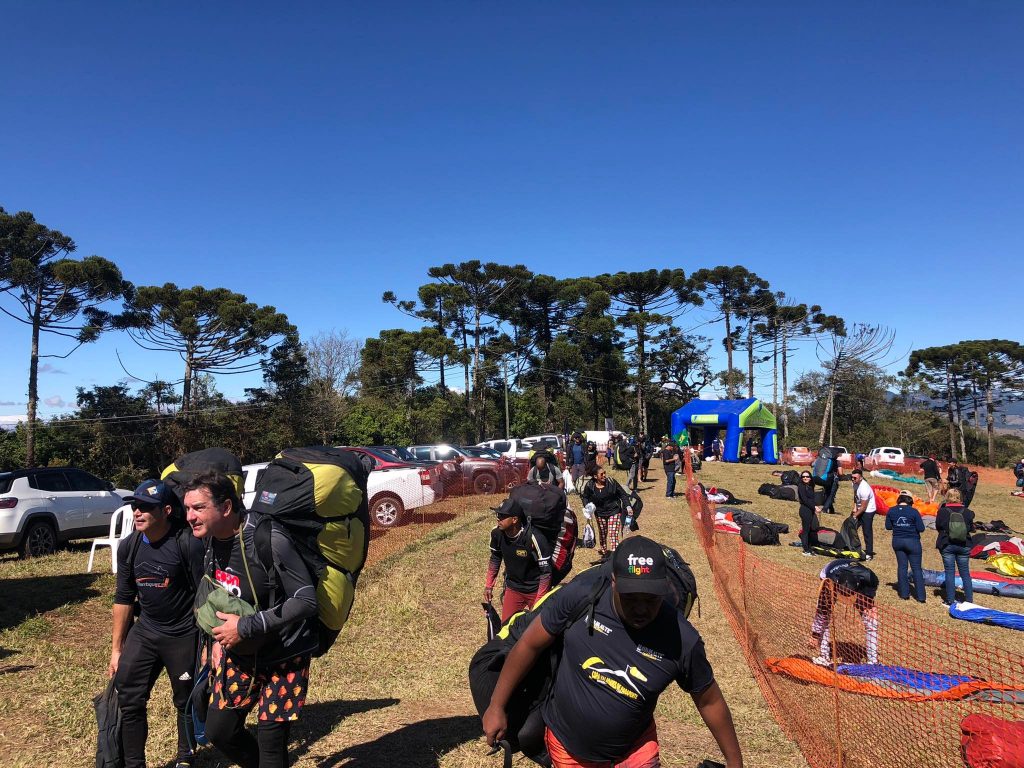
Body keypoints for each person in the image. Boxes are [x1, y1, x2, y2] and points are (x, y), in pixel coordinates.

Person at [482, 536, 744, 768]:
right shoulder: (582, 596)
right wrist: (496, 705)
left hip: (635, 750)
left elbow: (709, 700)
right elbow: (530, 643)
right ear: (614, 581)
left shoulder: (682, 638)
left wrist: (735, 762)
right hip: (567, 748)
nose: (641, 609)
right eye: (631, 598)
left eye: (650, 599)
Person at [185, 471, 319, 768]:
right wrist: (215, 643)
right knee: (219, 731)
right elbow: (219, 596)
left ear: (226, 508)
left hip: (286, 652)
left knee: (271, 742)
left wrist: (245, 626)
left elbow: (306, 599)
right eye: (187, 509)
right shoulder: (209, 542)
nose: (190, 517)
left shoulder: (266, 537)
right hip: (241, 651)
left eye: (198, 508)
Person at [110, 480, 204, 768]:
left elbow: (205, 594)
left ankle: (185, 757)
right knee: (129, 695)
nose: (137, 513)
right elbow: (124, 598)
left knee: (185, 700)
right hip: (147, 630)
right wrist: (117, 649)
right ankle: (134, 763)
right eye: (135, 507)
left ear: (165, 511)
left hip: (183, 633)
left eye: (146, 508)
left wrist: (207, 643)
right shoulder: (130, 546)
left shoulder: (187, 543)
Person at [486, 499, 553, 622]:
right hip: (513, 588)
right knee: (506, 628)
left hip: (535, 589)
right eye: (497, 515)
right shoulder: (497, 533)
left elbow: (546, 572)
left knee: (537, 629)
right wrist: (489, 586)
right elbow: (495, 558)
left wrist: (539, 601)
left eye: (502, 516)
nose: (498, 519)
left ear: (515, 520)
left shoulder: (534, 538)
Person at [810, 559, 879, 667]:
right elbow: (822, 610)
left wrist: (869, 605)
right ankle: (824, 656)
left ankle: (873, 662)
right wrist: (815, 634)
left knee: (871, 620)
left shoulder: (869, 578)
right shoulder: (829, 581)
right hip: (830, 574)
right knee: (825, 616)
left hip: (857, 579)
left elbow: (869, 592)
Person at [935, 488, 976, 606]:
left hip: (947, 544)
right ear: (960, 498)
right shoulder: (968, 512)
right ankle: (969, 600)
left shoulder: (942, 511)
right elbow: (970, 528)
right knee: (965, 573)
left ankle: (950, 600)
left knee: (949, 572)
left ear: (947, 497)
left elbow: (938, 526)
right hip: (964, 545)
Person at [581, 467, 633, 557]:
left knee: (613, 534)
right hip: (600, 513)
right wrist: (587, 506)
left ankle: (614, 556)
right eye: (601, 474)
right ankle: (604, 553)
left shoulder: (611, 482)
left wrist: (628, 506)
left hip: (614, 511)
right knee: (602, 533)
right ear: (595, 476)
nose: (604, 475)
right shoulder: (590, 485)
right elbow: (585, 496)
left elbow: (623, 494)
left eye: (604, 473)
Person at [885, 491, 926, 603]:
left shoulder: (891, 510)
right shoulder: (914, 512)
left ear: (899, 499)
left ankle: (904, 594)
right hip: (912, 542)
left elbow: (888, 527)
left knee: (902, 567)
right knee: (916, 568)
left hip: (898, 541)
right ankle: (921, 597)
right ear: (910, 500)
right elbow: (921, 528)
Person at [850, 469, 876, 561]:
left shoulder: (865, 489)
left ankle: (869, 553)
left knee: (867, 532)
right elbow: (855, 495)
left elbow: (864, 508)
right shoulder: (854, 483)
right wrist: (854, 507)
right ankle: (851, 547)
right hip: (859, 508)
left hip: (868, 511)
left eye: (855, 478)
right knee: (851, 526)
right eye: (852, 477)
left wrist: (855, 515)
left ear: (861, 478)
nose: (853, 479)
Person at [797, 471, 820, 556]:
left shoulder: (810, 486)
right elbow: (805, 500)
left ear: (810, 477)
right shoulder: (801, 486)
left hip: (810, 510)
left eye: (807, 476)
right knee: (805, 530)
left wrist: (814, 507)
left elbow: (811, 500)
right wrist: (814, 507)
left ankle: (809, 548)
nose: (805, 478)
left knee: (810, 530)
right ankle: (805, 550)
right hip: (805, 510)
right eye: (803, 477)